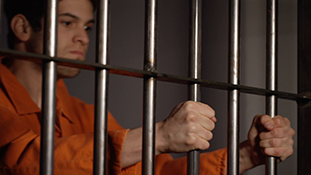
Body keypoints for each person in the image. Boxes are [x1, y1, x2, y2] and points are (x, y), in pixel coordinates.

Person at [0, 0, 295, 174]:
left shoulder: (84, 114)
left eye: (88, 27)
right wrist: (160, 135)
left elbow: (158, 172)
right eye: (68, 23)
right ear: (23, 28)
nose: (84, 38)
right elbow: (23, 163)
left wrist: (248, 155)